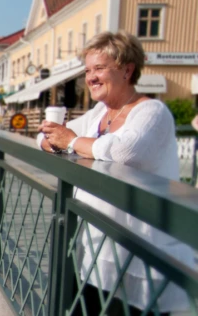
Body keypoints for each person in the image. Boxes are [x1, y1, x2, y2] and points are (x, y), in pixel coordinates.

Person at [37, 32, 191, 315]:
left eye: (99, 68)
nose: (91, 77)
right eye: (87, 71)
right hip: (97, 246)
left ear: (127, 69)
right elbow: (47, 137)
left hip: (140, 253)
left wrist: (70, 141)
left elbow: (125, 152)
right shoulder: (99, 113)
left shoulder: (151, 112)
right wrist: (51, 140)